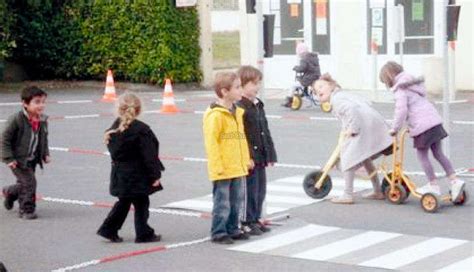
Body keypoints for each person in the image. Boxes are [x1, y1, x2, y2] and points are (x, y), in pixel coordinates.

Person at [379, 61, 465, 201]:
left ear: (389, 77)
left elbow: (401, 110)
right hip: (434, 122)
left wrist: (394, 129)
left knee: (422, 156)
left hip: (422, 126)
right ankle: (455, 181)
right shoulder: (413, 84)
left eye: (385, 81)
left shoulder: (400, 89)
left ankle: (433, 185)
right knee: (438, 153)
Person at [312, 74, 392, 204]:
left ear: (332, 86)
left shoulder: (337, 100)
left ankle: (347, 194)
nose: (318, 91)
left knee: (347, 159)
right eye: (315, 91)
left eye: (321, 86)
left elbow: (351, 109)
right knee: (364, 156)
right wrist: (348, 128)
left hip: (366, 127)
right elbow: (365, 103)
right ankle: (377, 191)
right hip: (373, 126)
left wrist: (353, 129)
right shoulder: (341, 95)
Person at [97, 92, 165, 243]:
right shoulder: (142, 130)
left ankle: (109, 229)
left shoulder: (112, 130)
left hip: (120, 174)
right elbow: (150, 156)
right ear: (139, 110)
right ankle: (143, 233)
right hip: (138, 175)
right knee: (141, 203)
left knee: (124, 202)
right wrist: (155, 175)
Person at [203, 72, 254, 244]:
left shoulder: (237, 112)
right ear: (225, 92)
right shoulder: (215, 115)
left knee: (236, 201)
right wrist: (217, 166)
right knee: (222, 203)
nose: (241, 90)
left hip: (237, 165)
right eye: (237, 87)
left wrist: (246, 158)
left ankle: (233, 228)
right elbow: (212, 143)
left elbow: (241, 138)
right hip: (223, 168)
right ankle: (218, 232)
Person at [236, 66, 277, 235]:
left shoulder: (258, 105)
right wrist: (247, 156)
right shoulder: (240, 107)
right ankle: (246, 220)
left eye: (258, 83)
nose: (257, 86)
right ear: (243, 84)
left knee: (260, 189)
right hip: (249, 157)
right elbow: (241, 136)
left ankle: (255, 218)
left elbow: (264, 131)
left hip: (260, 154)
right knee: (249, 190)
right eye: (254, 83)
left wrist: (270, 153)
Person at [2, 86, 50, 219]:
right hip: (17, 159)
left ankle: (10, 192)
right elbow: (4, 139)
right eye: (37, 102)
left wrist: (45, 153)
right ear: (25, 103)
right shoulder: (16, 119)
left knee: (24, 183)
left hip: (32, 158)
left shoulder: (42, 120)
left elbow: (43, 138)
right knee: (29, 183)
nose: (41, 105)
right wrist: (8, 158)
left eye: (43, 102)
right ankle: (26, 209)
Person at [282, 42, 321, 107]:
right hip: (316, 76)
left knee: (293, 85)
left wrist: (295, 68)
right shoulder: (314, 57)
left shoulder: (304, 59)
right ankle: (307, 99)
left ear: (300, 52)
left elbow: (302, 68)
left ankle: (289, 101)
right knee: (304, 87)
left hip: (309, 78)